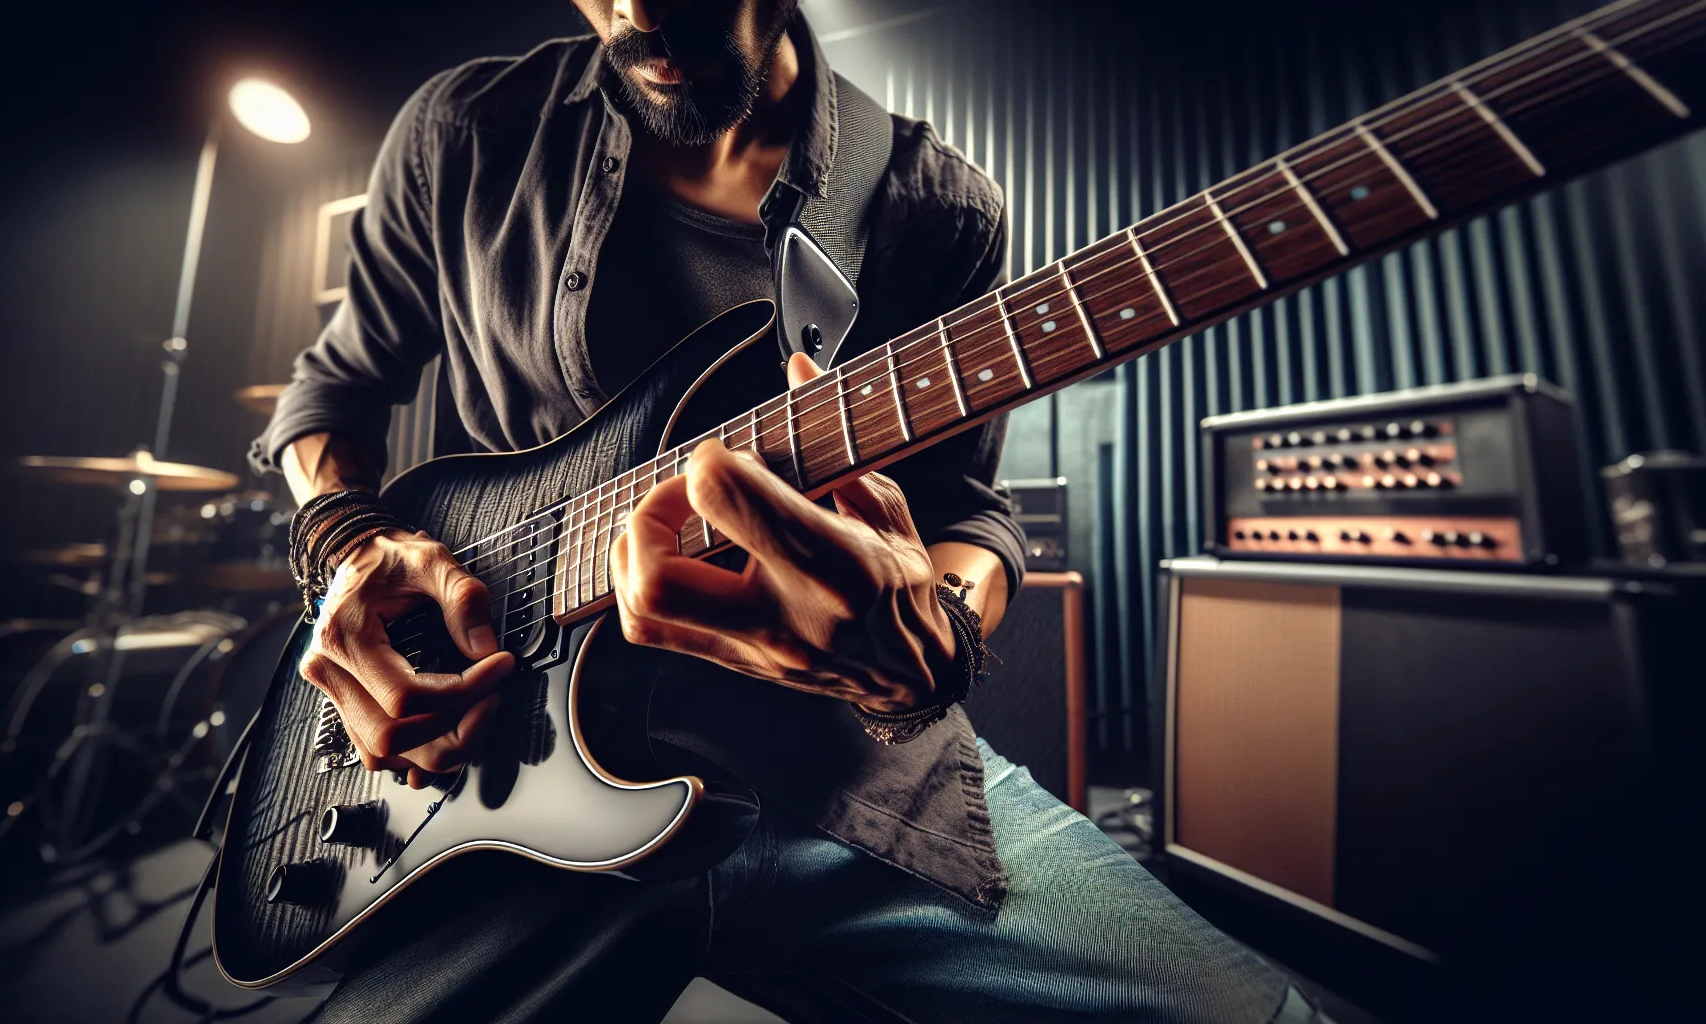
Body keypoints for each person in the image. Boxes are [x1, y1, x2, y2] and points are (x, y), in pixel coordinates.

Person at [253, 1, 1331, 1020]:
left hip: (837, 769)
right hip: (509, 768)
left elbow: (963, 513)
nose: (638, 14)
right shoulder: (462, 132)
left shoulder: (935, 206)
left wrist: (934, 635)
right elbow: (330, 393)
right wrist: (348, 541)